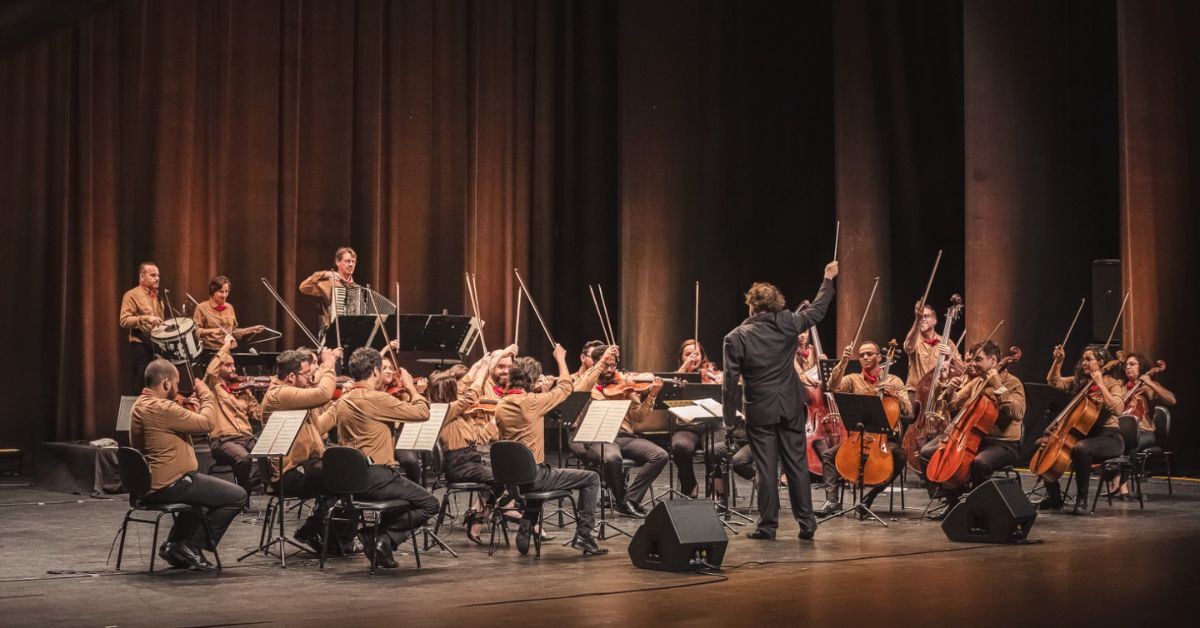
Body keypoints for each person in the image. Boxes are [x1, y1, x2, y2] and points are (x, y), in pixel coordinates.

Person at [722, 260, 838, 540]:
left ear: (751, 306)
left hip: (760, 410)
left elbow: (729, 385)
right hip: (790, 406)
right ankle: (807, 524)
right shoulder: (787, 322)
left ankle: (767, 527)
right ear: (776, 304)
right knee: (796, 465)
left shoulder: (735, 337)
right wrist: (828, 279)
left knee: (765, 468)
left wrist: (729, 420)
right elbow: (818, 311)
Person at [495, 344, 618, 555]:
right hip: (535, 477)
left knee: (541, 477)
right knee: (591, 478)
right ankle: (584, 535)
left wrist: (540, 392)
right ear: (531, 379)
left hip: (513, 482)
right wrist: (560, 358)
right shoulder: (533, 403)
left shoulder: (502, 404)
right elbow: (566, 387)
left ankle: (528, 519)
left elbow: (526, 414)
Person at [131, 359, 246, 570]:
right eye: (176, 384)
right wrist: (206, 395)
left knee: (202, 496)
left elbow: (183, 423)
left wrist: (193, 409)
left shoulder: (140, 404)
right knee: (237, 496)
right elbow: (207, 423)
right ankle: (192, 545)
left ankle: (174, 545)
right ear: (166, 383)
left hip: (151, 483)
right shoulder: (162, 407)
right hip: (170, 484)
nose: (177, 389)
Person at [333, 348, 438, 568]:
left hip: (348, 480)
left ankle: (382, 545)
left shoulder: (343, 400)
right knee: (429, 503)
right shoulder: (378, 399)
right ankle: (379, 536)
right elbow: (422, 413)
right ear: (375, 371)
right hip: (376, 477)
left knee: (403, 500)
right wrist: (412, 389)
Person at [919, 341, 1025, 515]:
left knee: (979, 463)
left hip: (1003, 443)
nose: (972, 364)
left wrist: (998, 386)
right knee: (926, 453)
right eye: (972, 360)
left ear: (993, 360)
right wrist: (949, 389)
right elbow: (953, 405)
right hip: (974, 439)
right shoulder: (977, 382)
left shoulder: (1013, 383)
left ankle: (982, 508)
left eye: (978, 359)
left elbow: (1018, 413)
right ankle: (954, 501)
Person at [260, 346, 343, 552]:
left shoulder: (295, 398)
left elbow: (318, 428)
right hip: (287, 472)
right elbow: (323, 393)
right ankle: (316, 530)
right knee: (341, 475)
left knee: (345, 472)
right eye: (306, 375)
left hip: (305, 466)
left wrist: (340, 404)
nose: (310, 379)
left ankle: (318, 531)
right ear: (291, 377)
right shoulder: (279, 394)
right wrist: (328, 365)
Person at [817, 340, 912, 515]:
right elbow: (831, 386)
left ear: (879, 357)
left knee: (900, 456)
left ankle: (869, 498)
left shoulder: (894, 380)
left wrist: (894, 395)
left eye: (869, 354)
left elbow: (908, 410)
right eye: (861, 355)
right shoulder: (852, 379)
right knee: (828, 455)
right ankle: (832, 502)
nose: (865, 357)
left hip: (885, 438)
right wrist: (843, 362)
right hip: (859, 436)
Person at [1040, 345, 1125, 514]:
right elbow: (1054, 381)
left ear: (1101, 362)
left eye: (1088, 359)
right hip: (1085, 436)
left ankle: (1082, 499)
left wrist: (1100, 384)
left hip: (1109, 437)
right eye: (1083, 359)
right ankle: (1054, 497)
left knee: (1082, 448)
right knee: (1041, 444)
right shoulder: (1080, 382)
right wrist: (1058, 361)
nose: (1084, 363)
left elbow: (1118, 408)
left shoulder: (1113, 383)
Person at [203, 334, 263, 496]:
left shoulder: (242, 389)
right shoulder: (213, 387)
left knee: (272, 456)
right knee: (243, 458)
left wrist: (268, 396)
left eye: (234, 365)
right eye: (228, 365)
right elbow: (211, 371)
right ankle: (244, 494)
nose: (233, 369)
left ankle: (250, 485)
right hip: (223, 441)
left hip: (247, 438)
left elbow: (258, 414)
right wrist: (226, 346)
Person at [120, 261, 164, 394]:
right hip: (141, 347)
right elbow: (124, 320)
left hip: (156, 346)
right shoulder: (132, 295)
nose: (157, 278)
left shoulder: (158, 297)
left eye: (158, 275)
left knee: (155, 386)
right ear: (142, 277)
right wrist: (145, 318)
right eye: (153, 275)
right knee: (141, 385)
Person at [192, 275, 266, 351]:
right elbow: (195, 332)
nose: (224, 295)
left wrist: (251, 329)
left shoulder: (229, 307)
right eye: (221, 291)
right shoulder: (201, 308)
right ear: (212, 292)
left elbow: (232, 332)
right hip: (209, 351)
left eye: (226, 291)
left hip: (228, 350)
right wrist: (214, 330)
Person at [903, 301, 962, 389]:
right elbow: (908, 347)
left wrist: (951, 356)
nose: (922, 320)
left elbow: (962, 370)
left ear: (934, 321)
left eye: (926, 316)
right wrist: (917, 320)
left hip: (938, 391)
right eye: (920, 317)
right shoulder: (914, 340)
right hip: (915, 392)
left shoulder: (947, 342)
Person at [299, 247, 358, 328]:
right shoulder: (327, 283)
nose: (351, 264)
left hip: (352, 331)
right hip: (331, 329)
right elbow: (303, 287)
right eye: (347, 261)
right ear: (338, 262)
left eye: (353, 261)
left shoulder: (357, 288)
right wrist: (324, 274)